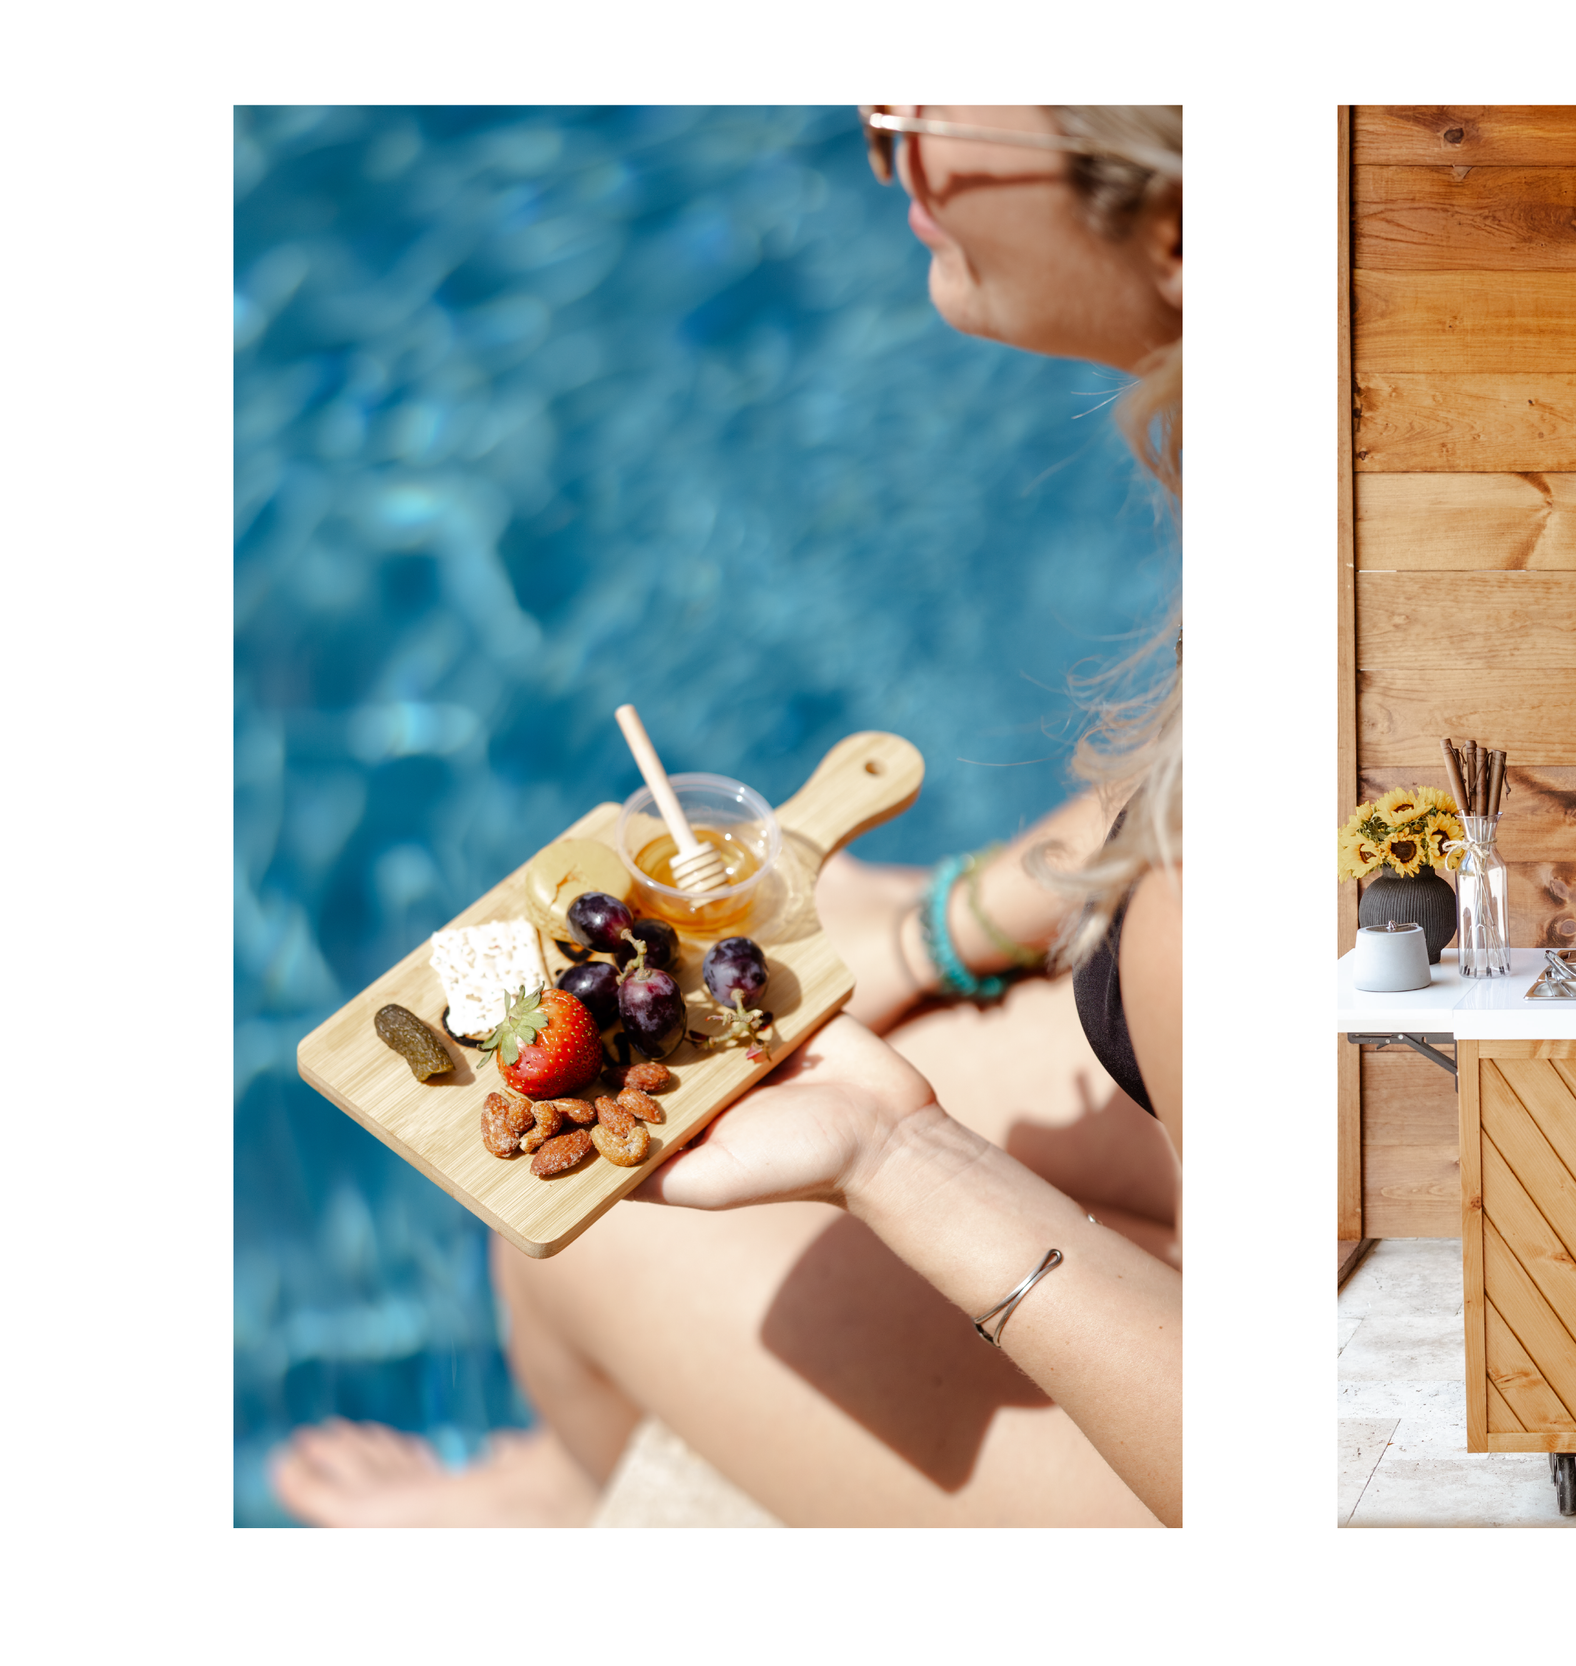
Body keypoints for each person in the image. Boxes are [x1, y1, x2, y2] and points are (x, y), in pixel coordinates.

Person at [272, 105, 1184, 1528]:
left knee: (579, 1246)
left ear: (1178, 231)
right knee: (811, 1005)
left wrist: (902, 1157)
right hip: (1226, 1109)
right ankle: (585, 1467)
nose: (885, 142)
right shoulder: (1351, 477)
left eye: (923, 114)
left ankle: (583, 1505)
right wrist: (945, 925)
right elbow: (1201, 770)